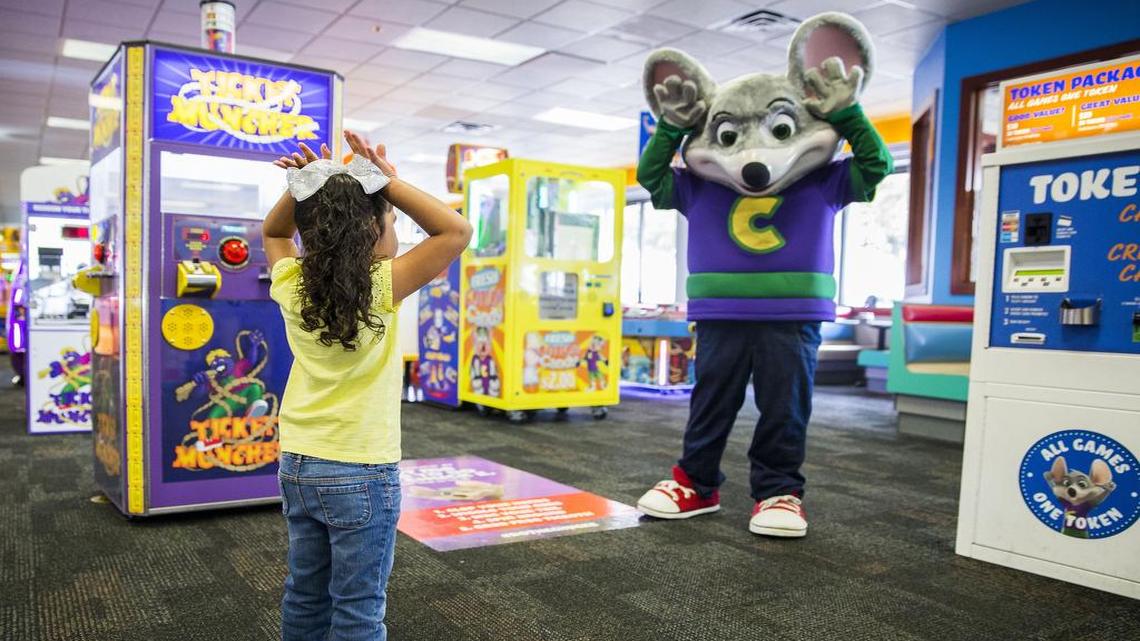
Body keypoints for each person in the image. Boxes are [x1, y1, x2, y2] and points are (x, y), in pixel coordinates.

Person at [265, 130, 471, 641]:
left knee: (305, 593)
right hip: (361, 468)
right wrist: (386, 182)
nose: (397, 231)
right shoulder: (382, 285)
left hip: (298, 463)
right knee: (358, 606)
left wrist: (305, 188)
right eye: (392, 222)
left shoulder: (291, 282)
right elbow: (455, 232)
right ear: (372, 233)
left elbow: (273, 234)